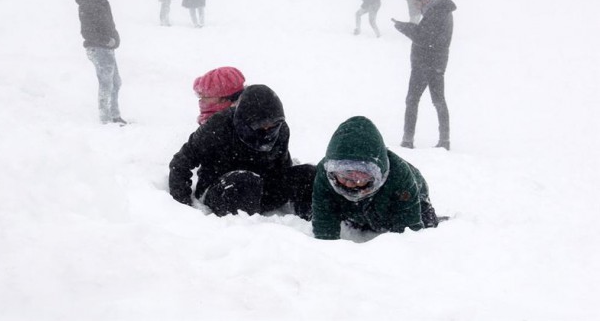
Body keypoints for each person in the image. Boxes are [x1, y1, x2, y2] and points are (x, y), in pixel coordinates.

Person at [169, 85, 316, 219]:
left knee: (310, 174)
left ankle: (309, 224)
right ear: (244, 120)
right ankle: (245, 232)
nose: (267, 131)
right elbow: (181, 163)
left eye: (272, 125)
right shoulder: (218, 126)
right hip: (220, 191)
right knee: (246, 181)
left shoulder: (282, 129)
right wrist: (183, 205)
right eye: (261, 126)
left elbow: (282, 166)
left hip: (262, 190)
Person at [311, 116, 440, 240]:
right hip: (357, 210)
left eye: (359, 176)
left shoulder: (400, 176)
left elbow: (409, 236)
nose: (350, 184)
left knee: (426, 227)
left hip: (405, 201)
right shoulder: (325, 174)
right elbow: (324, 223)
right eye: (344, 175)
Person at [392, 0, 456, 150]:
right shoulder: (440, 9)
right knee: (438, 101)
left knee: (412, 100)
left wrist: (404, 27)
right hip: (437, 62)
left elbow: (424, 38)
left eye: (415, 2)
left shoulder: (436, 11)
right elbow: (427, 35)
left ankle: (407, 140)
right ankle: (444, 140)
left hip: (425, 63)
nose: (415, 6)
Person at [75, 0, 127, 125]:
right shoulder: (89, 3)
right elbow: (87, 31)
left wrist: (115, 38)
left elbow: (108, 24)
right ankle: (105, 119)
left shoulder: (101, 0)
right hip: (98, 49)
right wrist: (107, 41)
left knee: (115, 82)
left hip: (106, 48)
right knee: (106, 83)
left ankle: (114, 115)